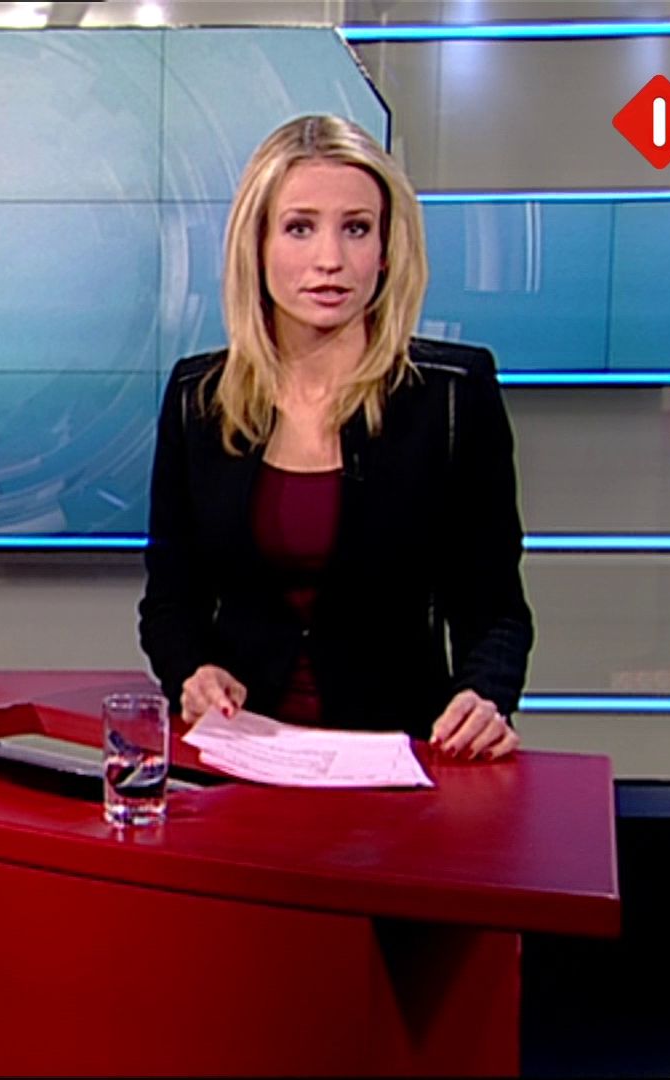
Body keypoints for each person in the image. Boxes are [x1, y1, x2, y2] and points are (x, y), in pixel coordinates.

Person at [138, 113, 533, 761]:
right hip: (241, 758)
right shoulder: (198, 398)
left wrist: (484, 695)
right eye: (300, 227)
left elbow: (495, 609)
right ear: (257, 244)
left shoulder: (453, 395)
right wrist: (192, 673)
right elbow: (170, 602)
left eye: (356, 228)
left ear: (386, 249)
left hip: (401, 757)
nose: (331, 260)